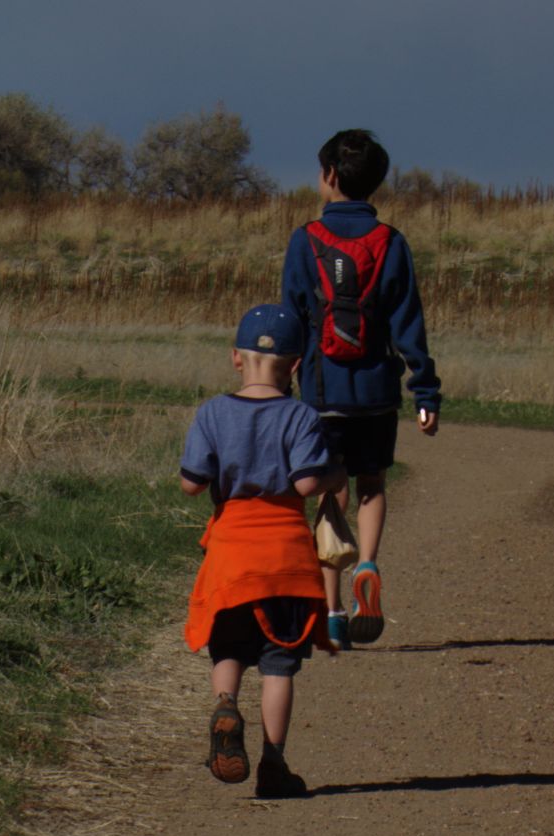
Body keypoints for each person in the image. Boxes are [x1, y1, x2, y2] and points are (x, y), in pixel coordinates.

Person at [281, 129, 441, 647]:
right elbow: (408, 322)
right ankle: (367, 567)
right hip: (376, 389)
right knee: (371, 484)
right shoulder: (392, 243)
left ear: (329, 177)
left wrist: (281, 381)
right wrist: (425, 394)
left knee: (332, 491)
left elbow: (291, 315)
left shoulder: (304, 240)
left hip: (322, 391)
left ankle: (330, 612)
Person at [181, 304, 346, 799]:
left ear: (236, 358)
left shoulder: (211, 412)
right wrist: (336, 475)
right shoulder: (300, 415)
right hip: (284, 560)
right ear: (295, 365)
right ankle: (274, 763)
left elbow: (192, 484)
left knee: (228, 647)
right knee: (279, 664)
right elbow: (306, 482)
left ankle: (226, 702)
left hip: (231, 554)